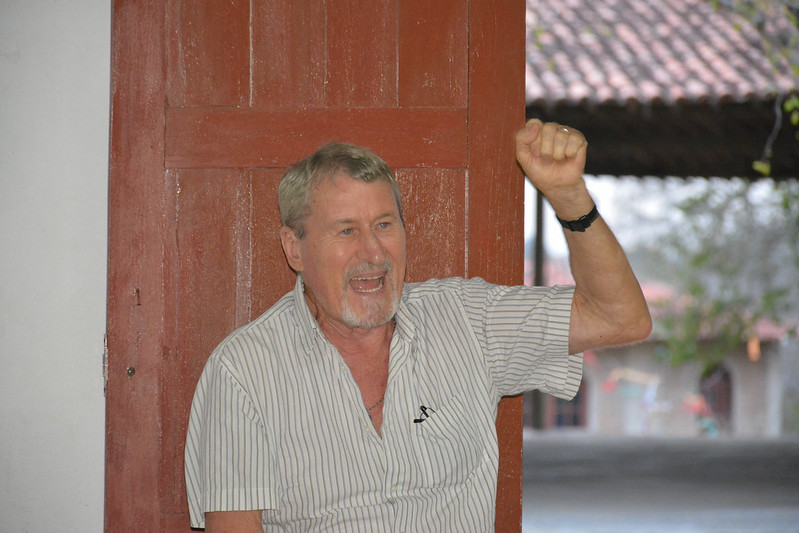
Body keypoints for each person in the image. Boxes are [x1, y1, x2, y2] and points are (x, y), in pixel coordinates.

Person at [184, 119, 652, 532]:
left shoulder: (467, 319)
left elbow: (620, 319)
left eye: (384, 225)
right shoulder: (243, 370)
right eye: (346, 230)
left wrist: (569, 196)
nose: (373, 253)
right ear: (294, 249)